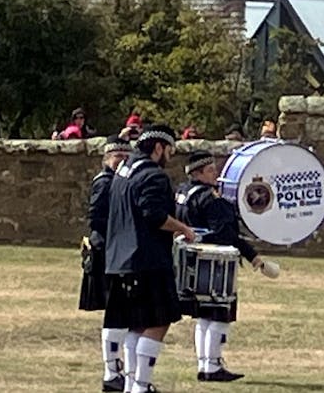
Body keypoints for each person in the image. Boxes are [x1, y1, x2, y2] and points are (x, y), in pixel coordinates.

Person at [104, 123, 197, 393]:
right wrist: (183, 228)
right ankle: (141, 385)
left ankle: (132, 385)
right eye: (169, 150)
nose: (169, 156)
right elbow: (153, 215)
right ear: (158, 147)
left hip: (119, 260)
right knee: (158, 321)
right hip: (147, 260)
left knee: (136, 324)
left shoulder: (123, 171)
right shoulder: (153, 175)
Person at [175, 151, 281, 382]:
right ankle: (213, 366)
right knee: (219, 313)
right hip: (215, 261)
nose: (216, 174)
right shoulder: (210, 198)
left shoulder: (182, 192)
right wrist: (254, 257)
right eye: (211, 170)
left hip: (191, 260)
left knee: (204, 315)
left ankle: (205, 364)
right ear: (198, 173)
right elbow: (227, 234)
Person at [83, 139, 135, 391]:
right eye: (118, 156)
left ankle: (116, 370)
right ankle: (112, 371)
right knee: (116, 312)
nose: (122, 161)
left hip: (116, 252)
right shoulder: (104, 183)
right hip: (107, 253)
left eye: (126, 156)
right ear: (107, 158)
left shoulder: (119, 182)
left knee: (122, 312)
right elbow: (96, 219)